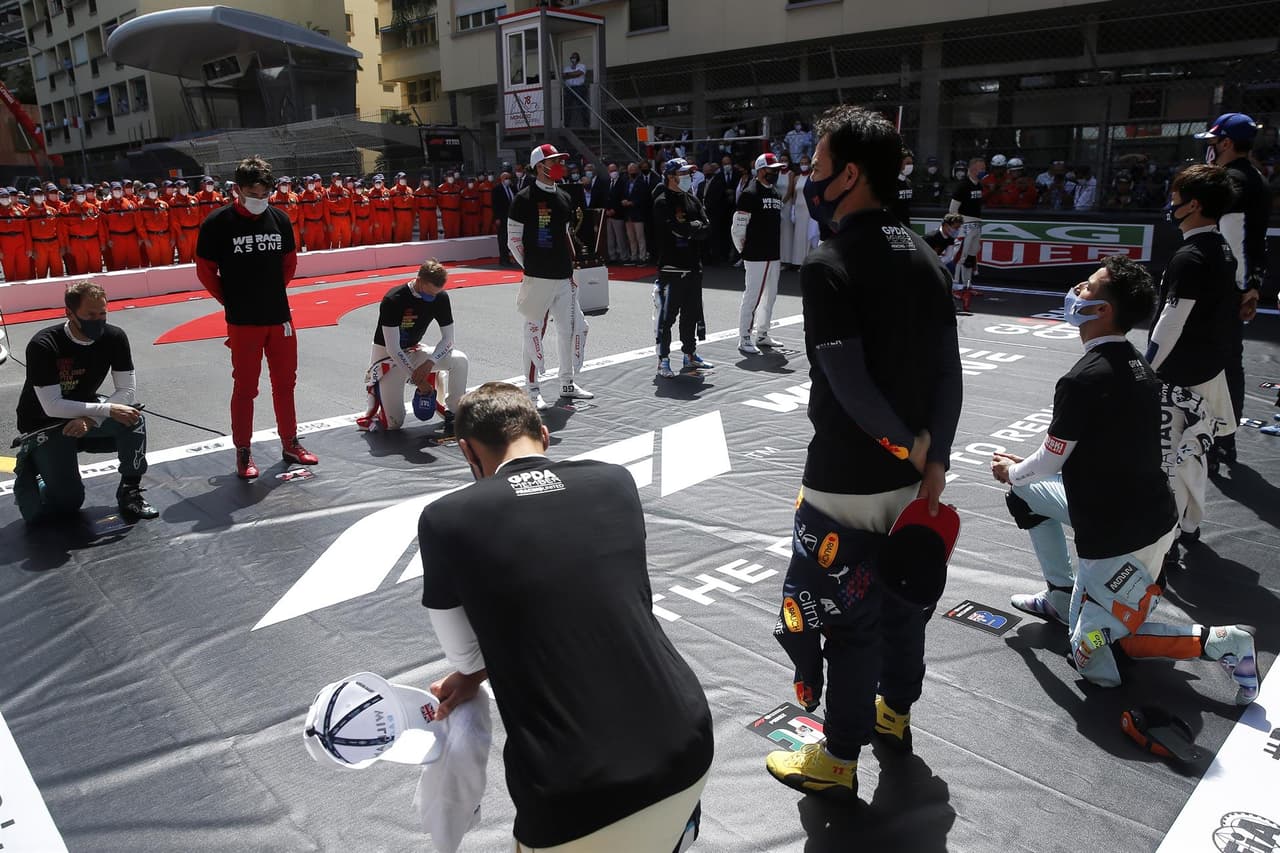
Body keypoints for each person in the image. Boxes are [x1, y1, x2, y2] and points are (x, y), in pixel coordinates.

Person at [418, 381, 713, 851]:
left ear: (467, 451)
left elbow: (467, 656)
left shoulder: (446, 518)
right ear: (544, 434)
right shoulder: (615, 481)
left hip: (574, 789)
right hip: (687, 741)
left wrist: (472, 675)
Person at [765, 105, 962, 800]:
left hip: (846, 477)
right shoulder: (930, 258)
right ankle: (894, 714)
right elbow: (948, 372)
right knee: (905, 605)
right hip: (916, 483)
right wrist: (931, 458)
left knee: (844, 620)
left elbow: (846, 380)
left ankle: (838, 756)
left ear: (850, 174)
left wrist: (904, 446)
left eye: (817, 167)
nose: (811, 179)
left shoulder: (829, 263)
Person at [993, 257, 1257, 704]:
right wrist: (1021, 476)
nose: (1077, 291)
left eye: (1089, 287)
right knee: (1024, 494)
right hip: (1150, 518)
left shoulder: (1082, 378)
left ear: (1102, 311)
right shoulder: (1139, 364)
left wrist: (1009, 469)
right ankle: (1062, 596)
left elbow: (1050, 459)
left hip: (1119, 535)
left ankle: (1222, 642)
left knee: (1094, 661)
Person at [195, 155, 316, 479]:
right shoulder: (217, 224)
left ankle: (290, 442)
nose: (260, 201)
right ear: (237, 189)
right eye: (253, 194)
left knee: (285, 385)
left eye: (265, 195)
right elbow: (206, 272)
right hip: (243, 322)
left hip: (279, 318)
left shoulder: (279, 219)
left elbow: (289, 265)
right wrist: (232, 299)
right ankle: (243, 451)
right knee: (246, 388)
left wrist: (270, 292)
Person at [1146, 165, 1238, 553]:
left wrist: (1145, 368)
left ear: (1194, 204)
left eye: (1176, 198)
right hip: (1209, 371)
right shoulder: (1222, 248)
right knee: (1195, 453)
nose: (1171, 205)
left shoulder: (1190, 256)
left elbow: (1171, 322)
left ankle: (1168, 534)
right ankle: (1190, 525)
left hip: (1179, 378)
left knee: (1171, 457)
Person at [13, 280, 158, 524]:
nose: (98, 319)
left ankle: (130, 492)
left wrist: (92, 418)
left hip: (85, 414)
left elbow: (126, 390)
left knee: (133, 418)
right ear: (69, 313)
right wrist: (104, 410)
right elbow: (53, 405)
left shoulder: (114, 337)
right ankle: (36, 470)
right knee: (66, 504)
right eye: (90, 314)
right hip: (44, 423)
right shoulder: (44, 344)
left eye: (103, 313)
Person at [1195, 113, 1269, 471]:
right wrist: (1253, 285)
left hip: (1217, 286)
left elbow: (1229, 236)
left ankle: (1210, 436)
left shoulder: (1229, 181)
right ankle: (1224, 437)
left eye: (1212, 143)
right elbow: (1256, 242)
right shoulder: (1257, 178)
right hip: (1237, 284)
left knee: (1205, 360)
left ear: (1225, 143)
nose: (1210, 150)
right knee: (1229, 363)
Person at [508, 143, 592, 410]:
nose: (559, 165)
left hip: (563, 277)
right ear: (539, 166)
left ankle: (567, 382)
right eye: (554, 161)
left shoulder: (565, 197)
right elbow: (513, 241)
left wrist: (570, 271)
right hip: (538, 279)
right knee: (534, 332)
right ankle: (532, 389)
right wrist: (531, 269)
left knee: (571, 329)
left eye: (560, 160)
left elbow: (565, 236)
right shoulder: (523, 198)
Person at [359, 259, 469, 434]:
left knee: (460, 360)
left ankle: (454, 413)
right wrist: (417, 377)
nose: (432, 298)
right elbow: (393, 348)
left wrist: (430, 363)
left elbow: (448, 339)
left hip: (413, 350)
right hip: (387, 357)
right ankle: (378, 392)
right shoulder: (394, 299)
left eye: (436, 293)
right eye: (429, 293)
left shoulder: (440, 297)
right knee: (394, 423)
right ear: (418, 281)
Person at [651, 158, 713, 378]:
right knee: (666, 318)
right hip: (671, 269)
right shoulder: (662, 202)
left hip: (693, 267)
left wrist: (692, 228)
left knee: (691, 314)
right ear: (671, 176)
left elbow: (707, 227)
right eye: (683, 173)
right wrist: (693, 228)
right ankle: (663, 360)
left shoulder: (693, 199)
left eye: (689, 174)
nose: (688, 177)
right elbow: (676, 229)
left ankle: (690, 354)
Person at [733, 152, 785, 355]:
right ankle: (744, 336)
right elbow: (738, 227)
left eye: (778, 170)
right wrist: (744, 251)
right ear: (761, 170)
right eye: (772, 170)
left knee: (770, 296)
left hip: (773, 253)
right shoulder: (750, 193)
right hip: (755, 254)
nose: (776, 173)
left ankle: (762, 334)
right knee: (752, 296)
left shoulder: (775, 193)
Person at [948, 157, 985, 312]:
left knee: (971, 256)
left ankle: (967, 285)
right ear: (971, 169)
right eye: (979, 168)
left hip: (977, 223)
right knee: (960, 257)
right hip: (965, 224)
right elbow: (952, 209)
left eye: (983, 168)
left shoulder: (980, 185)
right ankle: (955, 286)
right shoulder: (962, 186)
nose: (982, 171)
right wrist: (957, 226)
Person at [58, 185, 104, 276]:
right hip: (77, 242)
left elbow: (100, 227)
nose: (81, 195)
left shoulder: (92, 208)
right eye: (79, 193)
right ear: (73, 195)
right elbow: (63, 231)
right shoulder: (66, 210)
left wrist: (102, 242)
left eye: (83, 193)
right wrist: (66, 246)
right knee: (81, 269)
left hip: (93, 242)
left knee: (97, 269)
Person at [24, 184, 65, 279]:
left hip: (54, 244)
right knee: (41, 272)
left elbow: (59, 230)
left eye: (41, 194)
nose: (39, 196)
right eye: (36, 194)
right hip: (38, 245)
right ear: (31, 197)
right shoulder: (27, 213)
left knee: (58, 271)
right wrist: (30, 249)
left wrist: (62, 246)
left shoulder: (52, 211)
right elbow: (27, 234)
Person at [786, 155, 818, 268]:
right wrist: (793, 210)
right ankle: (797, 261)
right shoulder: (796, 178)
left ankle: (806, 261)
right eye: (801, 163)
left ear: (809, 164)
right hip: (798, 210)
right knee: (798, 236)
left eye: (805, 163)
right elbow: (794, 194)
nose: (803, 165)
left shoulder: (813, 177)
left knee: (807, 235)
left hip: (808, 210)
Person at [137, 182, 173, 268]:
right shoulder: (141, 205)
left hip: (165, 236)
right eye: (151, 190)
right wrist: (145, 239)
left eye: (154, 190)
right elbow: (140, 225)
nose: (153, 192)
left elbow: (171, 222)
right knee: (155, 264)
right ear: (146, 192)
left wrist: (173, 237)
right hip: (151, 238)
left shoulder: (164, 204)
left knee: (168, 263)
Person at [0, 187, 32, 281]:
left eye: (6, 196)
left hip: (21, 244)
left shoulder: (19, 212)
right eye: (2, 196)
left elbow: (27, 232)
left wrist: (29, 248)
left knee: (23, 272)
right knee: (9, 273)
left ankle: (24, 294)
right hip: (5, 245)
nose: (4, 198)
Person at [620, 162, 649, 265]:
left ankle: (642, 257)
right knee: (631, 238)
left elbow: (644, 197)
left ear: (637, 170)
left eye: (634, 170)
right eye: (630, 170)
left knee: (640, 237)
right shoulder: (626, 182)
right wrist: (623, 200)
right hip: (628, 215)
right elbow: (623, 194)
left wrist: (633, 203)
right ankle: (633, 257)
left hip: (638, 214)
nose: (632, 172)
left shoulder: (642, 182)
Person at [298, 176, 329, 251]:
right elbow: (301, 214)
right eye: (309, 183)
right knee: (309, 246)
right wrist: (302, 227)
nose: (311, 184)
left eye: (312, 183)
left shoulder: (319, 195)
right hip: (308, 225)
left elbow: (324, 211)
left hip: (319, 224)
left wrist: (326, 224)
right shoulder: (301, 196)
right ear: (305, 184)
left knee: (321, 246)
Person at [493, 171, 516, 265]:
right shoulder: (497, 189)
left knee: (511, 238)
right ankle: (503, 259)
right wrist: (497, 217)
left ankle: (511, 258)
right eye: (506, 178)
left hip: (513, 217)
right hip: (502, 217)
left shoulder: (513, 188)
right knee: (503, 238)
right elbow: (495, 204)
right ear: (502, 179)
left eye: (509, 178)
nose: (508, 180)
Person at [562, 51, 588, 127]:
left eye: (574, 57)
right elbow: (564, 76)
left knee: (583, 106)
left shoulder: (582, 66)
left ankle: (586, 125)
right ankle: (567, 125)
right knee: (567, 108)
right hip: (569, 89)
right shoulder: (566, 68)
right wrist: (573, 74)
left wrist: (569, 75)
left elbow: (579, 73)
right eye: (572, 57)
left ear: (577, 58)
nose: (573, 59)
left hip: (579, 88)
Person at [890, 148, 914, 226]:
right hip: (893, 224)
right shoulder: (891, 182)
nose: (910, 166)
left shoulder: (909, 182)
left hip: (906, 225)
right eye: (907, 163)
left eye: (911, 163)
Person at [437, 172, 462, 238]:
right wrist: (443, 210)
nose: (450, 178)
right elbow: (439, 201)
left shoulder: (457, 188)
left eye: (452, 177)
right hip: (446, 213)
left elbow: (460, 201)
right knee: (448, 232)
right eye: (449, 177)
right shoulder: (441, 188)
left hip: (456, 213)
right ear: (446, 178)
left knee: (456, 232)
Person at [414, 175, 439, 241]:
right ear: (422, 181)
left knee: (434, 233)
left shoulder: (433, 192)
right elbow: (416, 206)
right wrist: (421, 213)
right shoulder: (418, 192)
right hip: (423, 214)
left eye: (428, 181)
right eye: (425, 181)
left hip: (433, 214)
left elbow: (437, 203)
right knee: (423, 233)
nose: (427, 182)